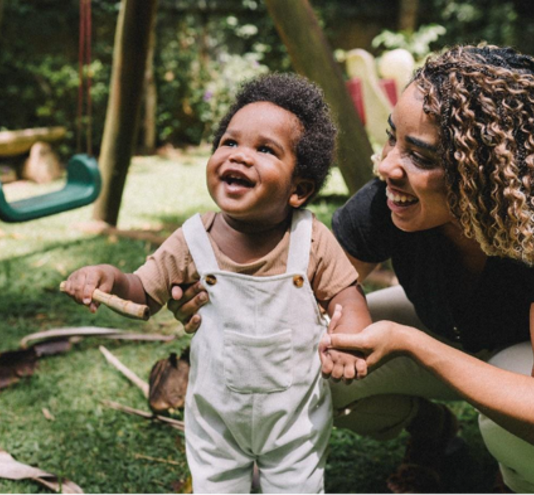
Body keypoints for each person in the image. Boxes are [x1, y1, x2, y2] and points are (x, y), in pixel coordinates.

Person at [168, 45, 534, 495]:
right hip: (449, 332)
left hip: (519, 363)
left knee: (510, 433)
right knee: (309, 352)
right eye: (391, 138)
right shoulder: (386, 202)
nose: (385, 166)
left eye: (418, 156)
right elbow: (294, 292)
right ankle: (431, 432)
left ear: (484, 169)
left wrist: (411, 344)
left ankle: (515, 479)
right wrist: (216, 296)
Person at [63, 73, 372, 494]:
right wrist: (108, 278)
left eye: (265, 149)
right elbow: (142, 291)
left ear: (299, 189)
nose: (240, 156)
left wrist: (349, 340)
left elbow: (346, 296)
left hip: (294, 420)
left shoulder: (311, 240)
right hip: (215, 420)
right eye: (230, 142)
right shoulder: (191, 241)